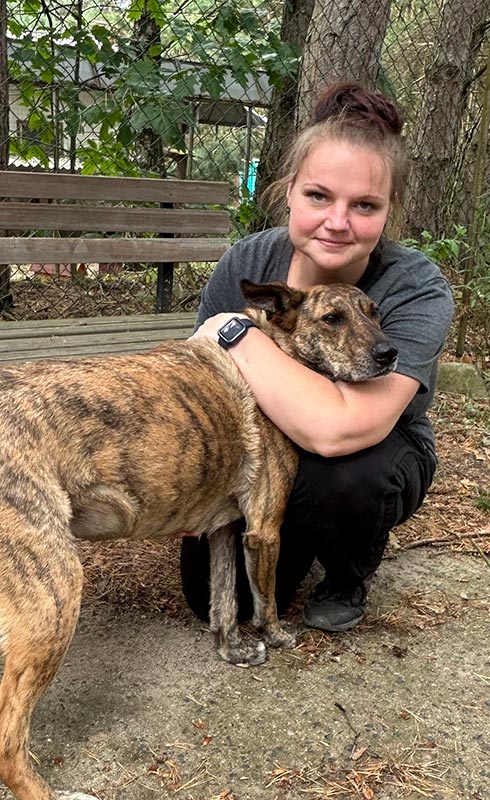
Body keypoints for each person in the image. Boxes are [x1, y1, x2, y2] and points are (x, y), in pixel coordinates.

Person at [180, 81, 454, 632]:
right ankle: (295, 531)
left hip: (368, 454)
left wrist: (235, 331)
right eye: (318, 196)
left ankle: (348, 570)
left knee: (347, 479)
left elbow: (339, 430)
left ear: (389, 212)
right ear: (289, 192)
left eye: (365, 205)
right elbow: (195, 388)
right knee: (218, 599)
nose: (337, 221)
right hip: (261, 447)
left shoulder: (416, 287)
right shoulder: (249, 262)